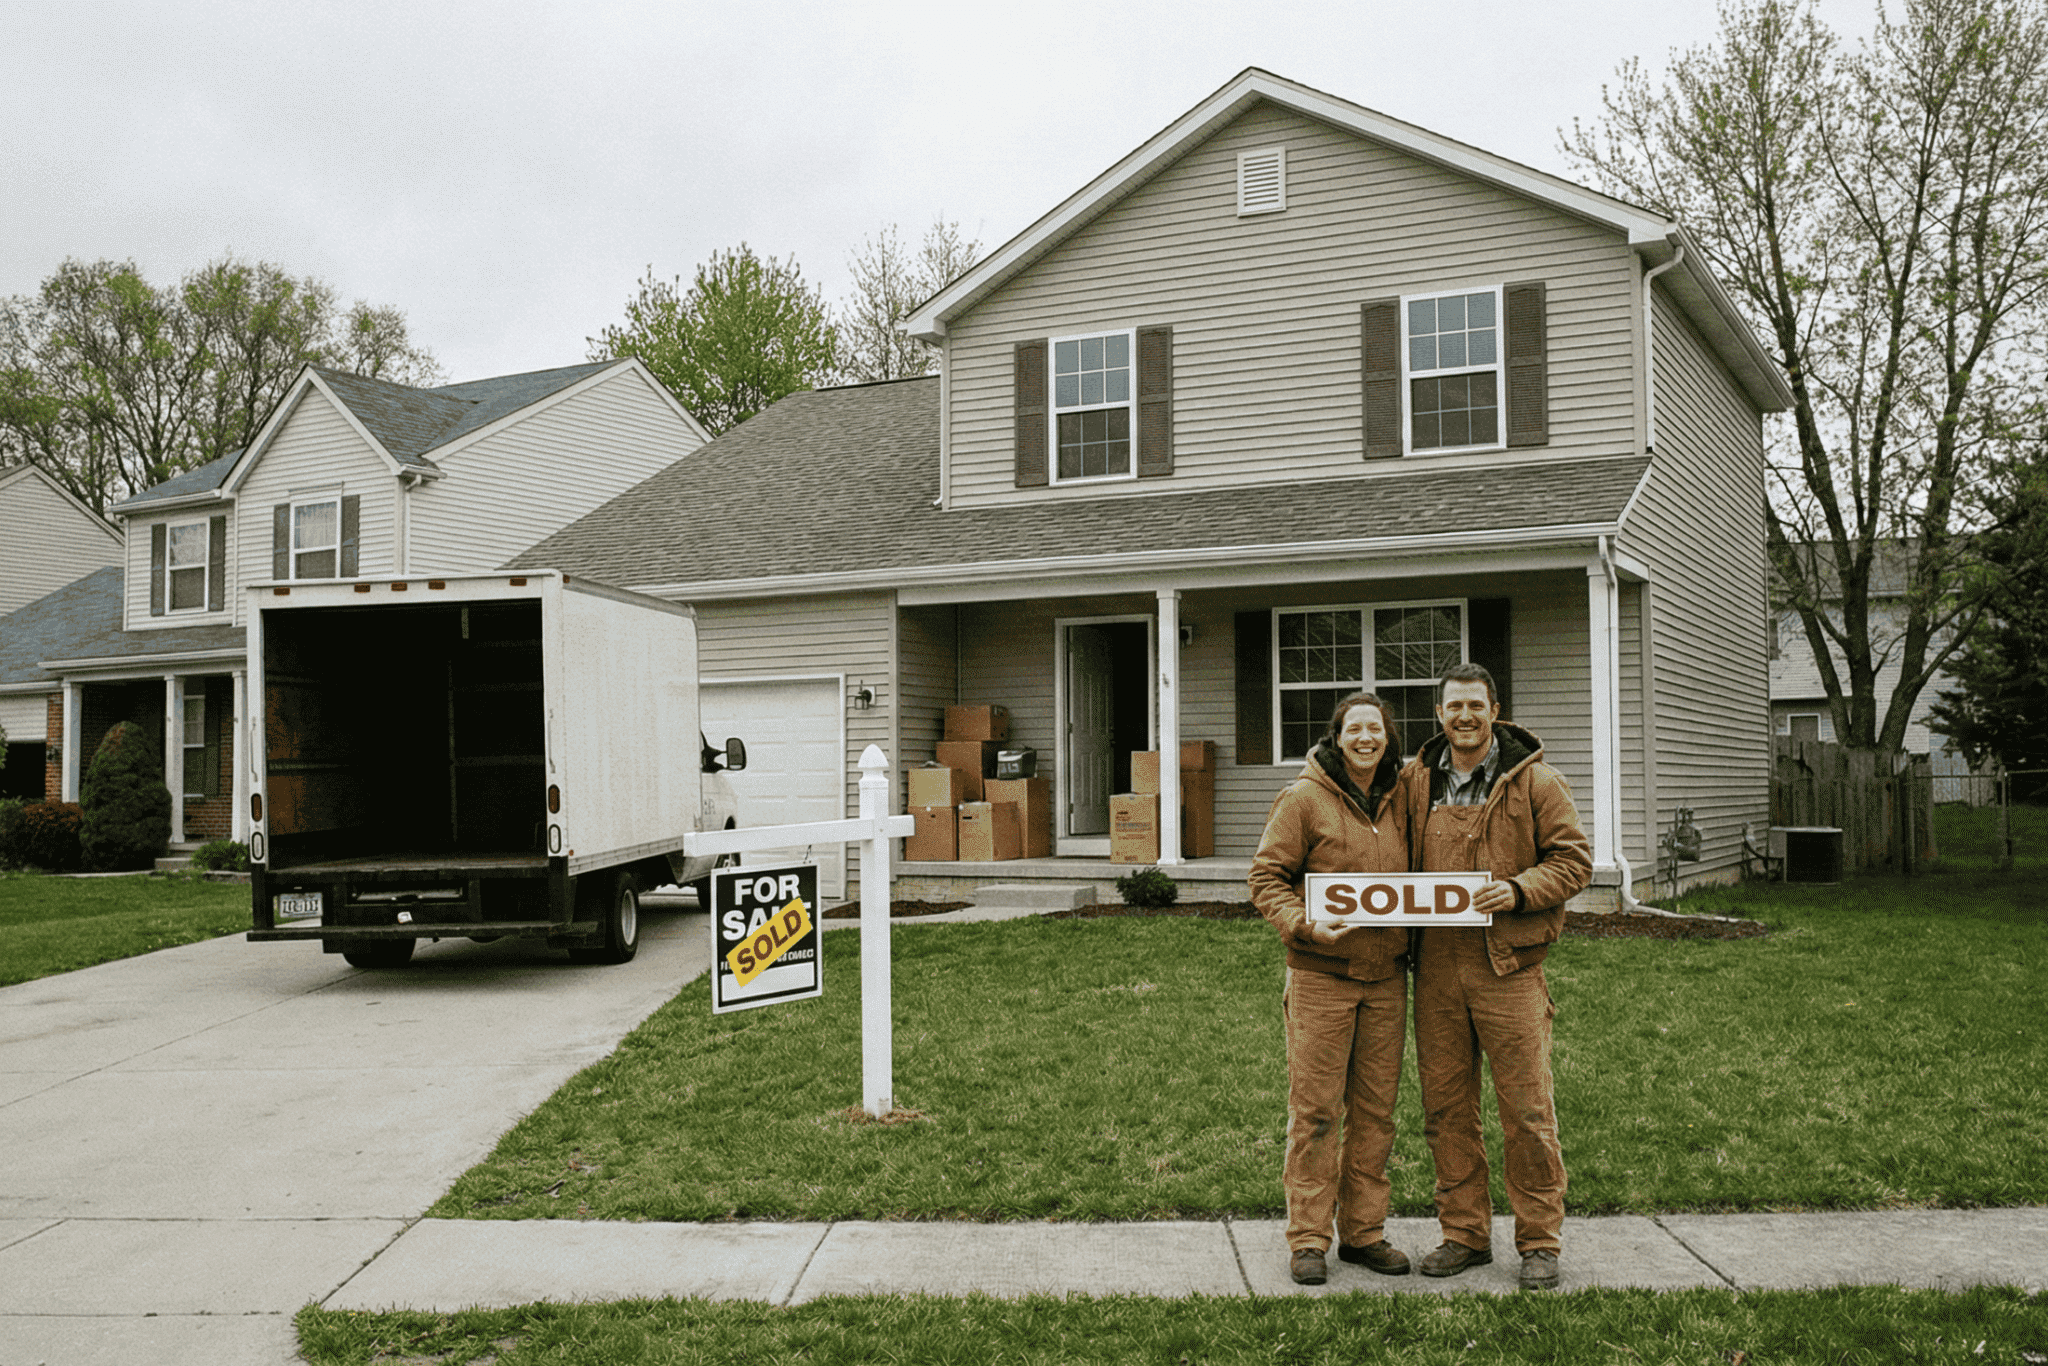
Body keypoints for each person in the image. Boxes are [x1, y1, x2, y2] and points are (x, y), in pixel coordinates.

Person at [1398, 662, 1591, 1291]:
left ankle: (1539, 1241)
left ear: (1495, 710)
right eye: (1454, 707)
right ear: (1439, 715)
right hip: (1436, 972)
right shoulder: (1414, 781)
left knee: (1527, 1111)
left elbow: (1573, 860)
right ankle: (1464, 1234)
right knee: (1446, 1109)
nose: (1465, 717)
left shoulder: (1536, 781)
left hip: (1509, 968)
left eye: (1476, 706)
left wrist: (1517, 889)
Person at [1248, 691, 1417, 1286]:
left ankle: (1364, 1234)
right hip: (1321, 978)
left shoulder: (1404, 799)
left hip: (1386, 980)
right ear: (1337, 736)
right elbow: (1266, 876)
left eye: (1377, 728)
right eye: (1355, 729)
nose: (1366, 738)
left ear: (1388, 737)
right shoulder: (1303, 798)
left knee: (1375, 1112)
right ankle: (1310, 1238)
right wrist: (1302, 923)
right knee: (1316, 1112)